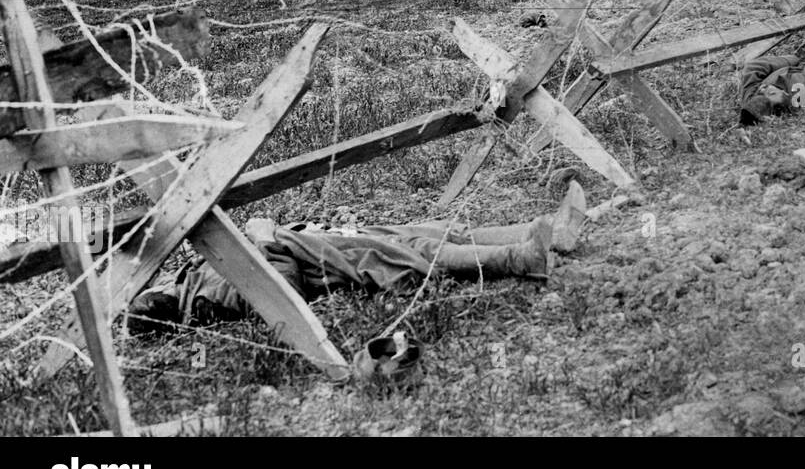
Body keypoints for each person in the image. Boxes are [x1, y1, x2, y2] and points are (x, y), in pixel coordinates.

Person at [127, 177, 588, 333]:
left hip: (324, 240)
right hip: (326, 262)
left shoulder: (192, 279)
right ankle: (521, 258)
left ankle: (540, 231)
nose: (161, 288)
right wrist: (266, 239)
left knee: (424, 231)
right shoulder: (211, 299)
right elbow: (280, 291)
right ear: (168, 311)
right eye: (155, 298)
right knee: (418, 250)